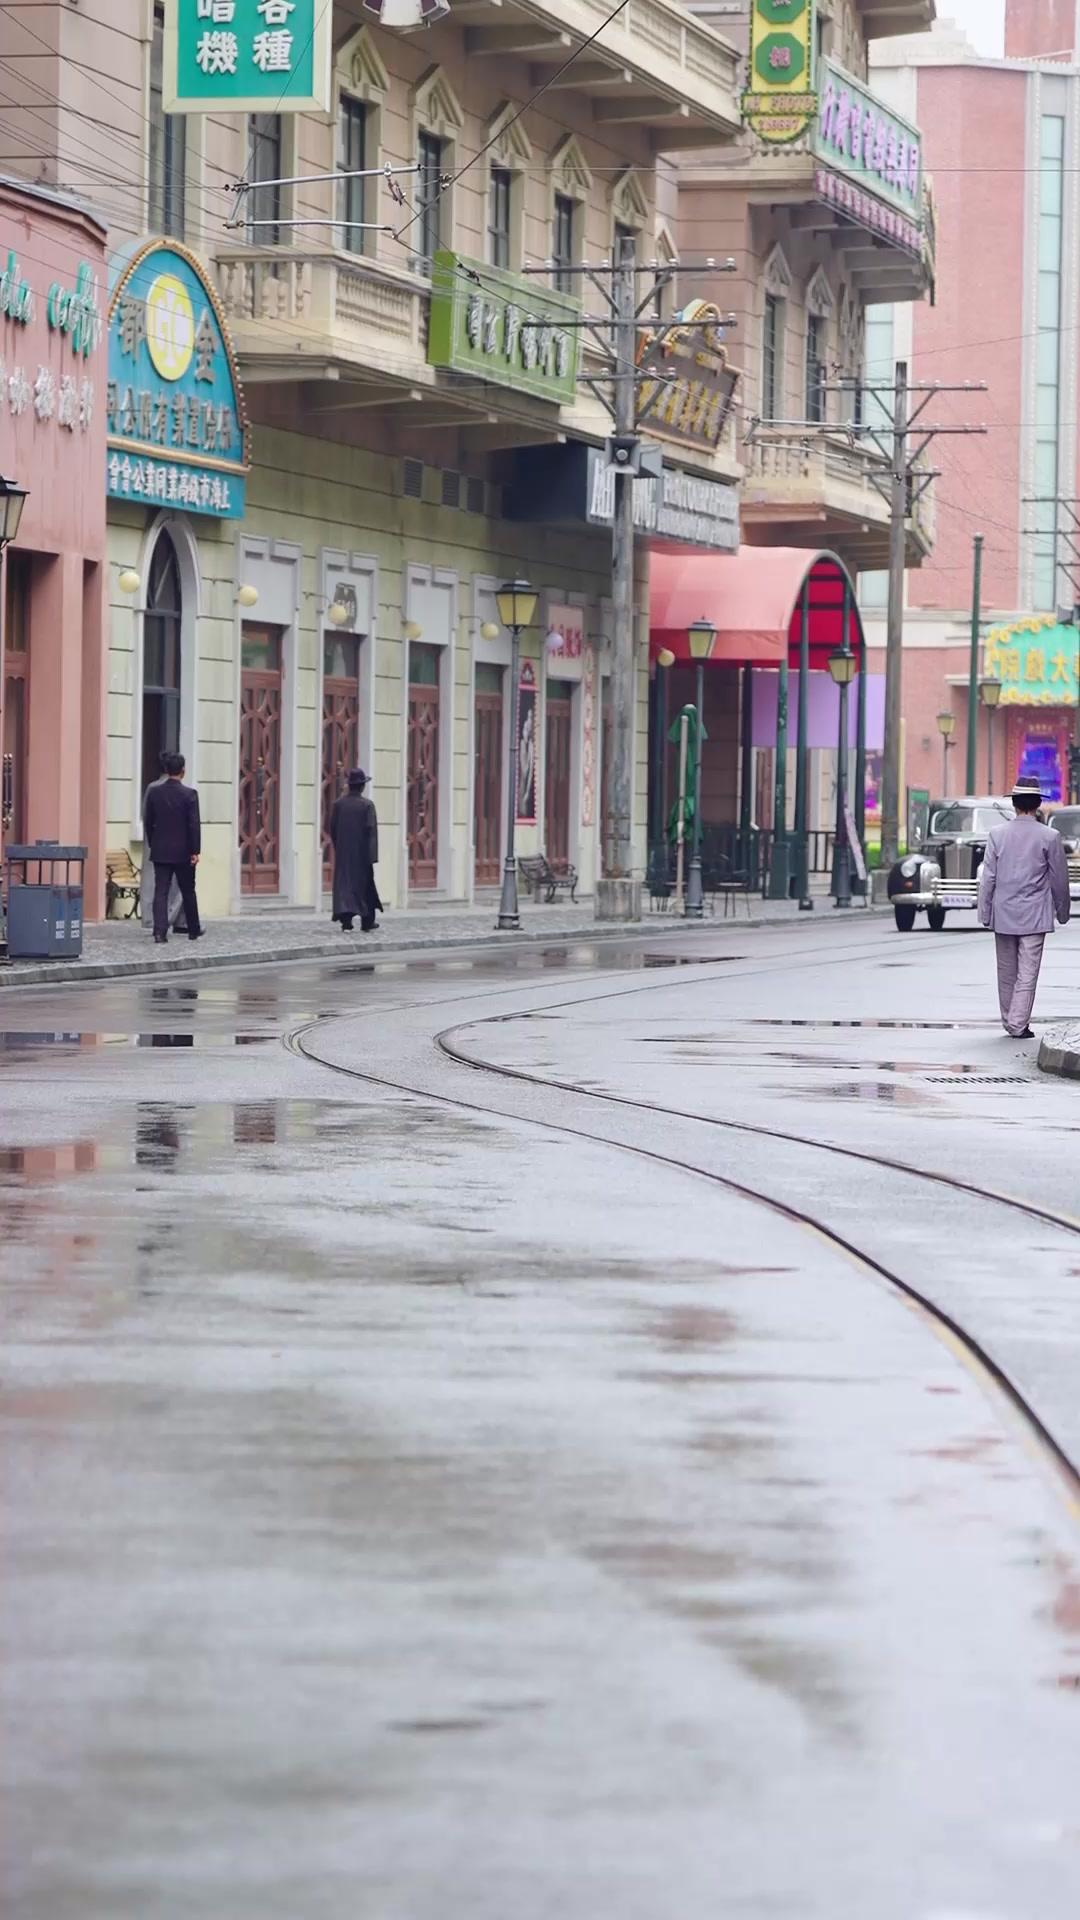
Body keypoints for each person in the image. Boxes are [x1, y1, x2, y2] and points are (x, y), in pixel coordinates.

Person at [977, 774, 1070, 1038]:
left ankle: (1010, 1019)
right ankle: (1017, 1023)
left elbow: (988, 878)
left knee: (1006, 971)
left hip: (1004, 913)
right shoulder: (1050, 836)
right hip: (1034, 915)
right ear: (1037, 804)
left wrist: (985, 912)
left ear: (1014, 803)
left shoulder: (997, 834)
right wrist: (1062, 911)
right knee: (1027, 972)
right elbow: (1058, 879)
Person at [143, 752, 203, 945]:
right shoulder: (190, 795)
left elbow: (148, 822)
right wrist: (195, 851)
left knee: (161, 891)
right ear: (183, 771)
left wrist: (154, 843)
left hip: (161, 849)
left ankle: (159, 932)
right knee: (188, 890)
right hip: (184, 851)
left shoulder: (154, 792)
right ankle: (193, 929)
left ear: (167, 770)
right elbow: (194, 825)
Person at [330, 768, 382, 932]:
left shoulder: (339, 804)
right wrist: (372, 856)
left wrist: (339, 846)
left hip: (344, 853)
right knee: (365, 887)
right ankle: (367, 921)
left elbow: (332, 828)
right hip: (362, 854)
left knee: (344, 884)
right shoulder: (367, 805)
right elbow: (371, 832)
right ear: (362, 787)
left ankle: (346, 921)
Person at [141, 752, 185, 934]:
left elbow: (147, 817)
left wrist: (152, 840)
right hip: (175, 844)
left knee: (157, 885)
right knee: (176, 885)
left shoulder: (153, 788)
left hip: (156, 843)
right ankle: (171, 920)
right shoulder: (183, 791)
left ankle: (157, 921)